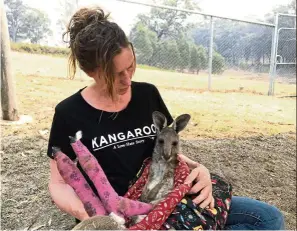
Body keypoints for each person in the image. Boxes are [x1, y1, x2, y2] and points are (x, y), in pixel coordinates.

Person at [47, 6, 285, 230]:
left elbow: (167, 147)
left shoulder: (147, 94)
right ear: (91, 71)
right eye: (115, 75)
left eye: (130, 67)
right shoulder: (69, 112)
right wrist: (97, 219)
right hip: (120, 213)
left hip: (168, 194)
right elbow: (58, 183)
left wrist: (198, 169)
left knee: (267, 218)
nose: (127, 80)